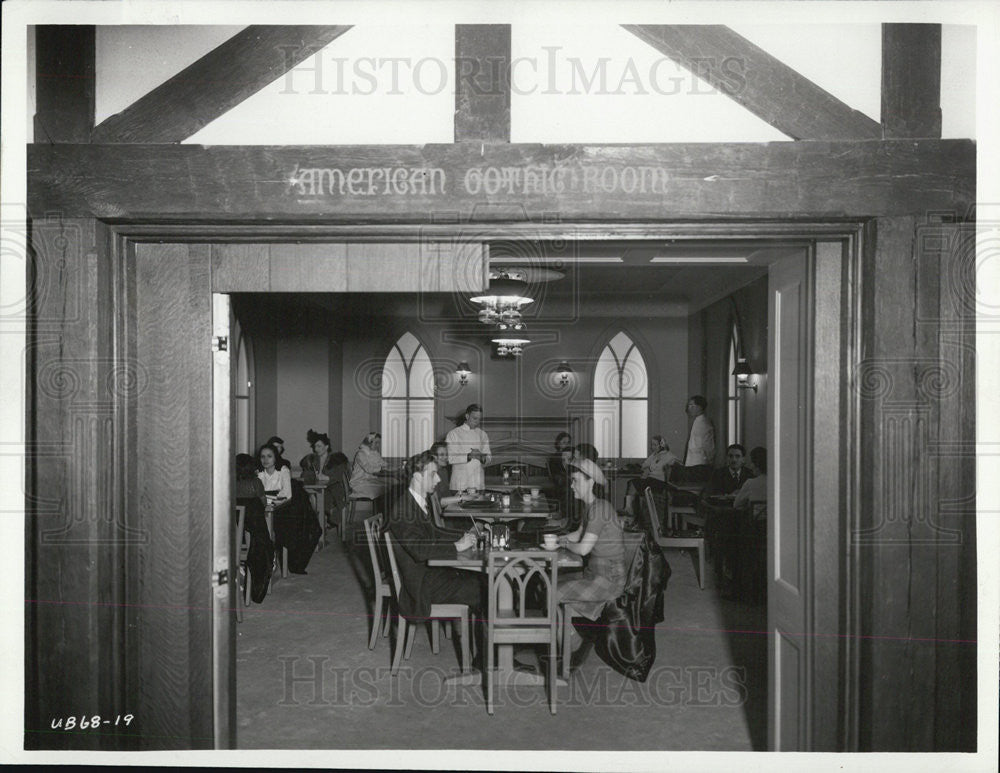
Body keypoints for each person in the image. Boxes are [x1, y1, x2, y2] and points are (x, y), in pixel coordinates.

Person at [384, 451, 481, 624]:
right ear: (417, 476)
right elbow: (419, 550)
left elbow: (434, 532)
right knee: (483, 588)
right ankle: (498, 645)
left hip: (428, 574)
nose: (438, 479)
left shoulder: (416, 501)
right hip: (420, 585)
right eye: (433, 474)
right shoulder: (404, 510)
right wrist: (457, 547)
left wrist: (465, 535)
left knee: (480, 579)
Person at [557, 458, 628, 669]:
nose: (571, 486)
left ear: (590, 482)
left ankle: (573, 645)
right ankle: (572, 638)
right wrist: (555, 540)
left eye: (575, 481)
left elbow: (583, 548)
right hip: (596, 571)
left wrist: (564, 544)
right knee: (551, 584)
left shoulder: (599, 509)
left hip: (609, 578)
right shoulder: (591, 507)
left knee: (551, 594)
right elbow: (578, 534)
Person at [235, 453, 274, 603]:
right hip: (253, 536)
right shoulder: (255, 483)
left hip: (232, 537)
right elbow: (263, 504)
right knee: (262, 535)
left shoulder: (228, 483)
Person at [300, 431, 350, 520]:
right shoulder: (313, 460)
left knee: (320, 497)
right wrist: (313, 475)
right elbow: (304, 474)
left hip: (334, 489)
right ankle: (319, 522)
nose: (316, 449)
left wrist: (328, 477)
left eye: (319, 446)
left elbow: (339, 475)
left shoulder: (336, 459)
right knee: (310, 496)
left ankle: (320, 521)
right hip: (318, 489)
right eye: (315, 446)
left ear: (326, 447)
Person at [624, 435, 680, 515]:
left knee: (633, 484)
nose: (652, 447)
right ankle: (631, 511)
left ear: (661, 445)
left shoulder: (670, 456)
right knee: (632, 483)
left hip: (660, 482)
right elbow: (644, 465)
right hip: (651, 480)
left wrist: (648, 468)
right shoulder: (654, 455)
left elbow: (657, 467)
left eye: (654, 445)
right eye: (651, 444)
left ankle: (629, 509)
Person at [446, 404, 492, 492]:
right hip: (460, 484)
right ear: (467, 416)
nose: (477, 422)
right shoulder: (453, 434)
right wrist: (469, 456)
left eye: (479, 419)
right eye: (474, 418)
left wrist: (482, 457)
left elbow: (489, 458)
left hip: (478, 483)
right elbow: (450, 458)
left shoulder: (483, 434)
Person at [680, 395, 715, 482]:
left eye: (692, 406)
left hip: (699, 465)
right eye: (688, 406)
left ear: (700, 407)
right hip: (693, 464)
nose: (689, 409)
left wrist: (710, 461)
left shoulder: (704, 423)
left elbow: (708, 447)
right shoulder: (697, 421)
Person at [349, 432, 387, 500]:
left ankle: (381, 509)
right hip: (359, 483)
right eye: (376, 443)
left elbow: (383, 463)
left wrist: (390, 467)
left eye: (379, 443)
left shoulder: (374, 453)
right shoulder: (361, 454)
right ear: (369, 442)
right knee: (382, 489)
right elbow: (368, 469)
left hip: (368, 480)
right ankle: (379, 509)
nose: (378, 445)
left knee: (388, 486)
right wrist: (381, 468)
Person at [257, 443, 292, 509]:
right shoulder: (258, 473)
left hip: (281, 509)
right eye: (263, 457)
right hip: (262, 509)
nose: (265, 460)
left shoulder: (284, 471)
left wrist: (266, 497)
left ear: (275, 457)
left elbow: (287, 495)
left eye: (269, 456)